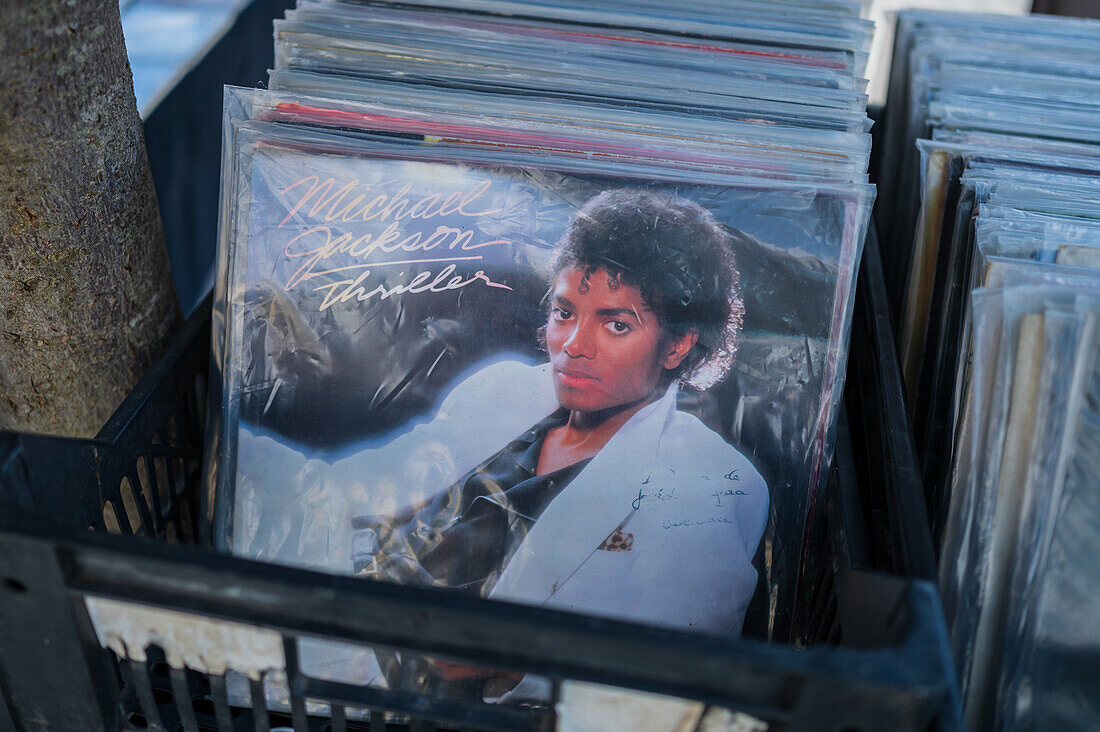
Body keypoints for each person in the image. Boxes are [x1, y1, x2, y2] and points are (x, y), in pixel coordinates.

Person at [345, 189, 769, 637]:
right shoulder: (504, 389)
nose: (573, 345)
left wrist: (496, 660)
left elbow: (670, 671)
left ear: (679, 345)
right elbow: (371, 483)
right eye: (564, 312)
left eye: (616, 325)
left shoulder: (712, 484)